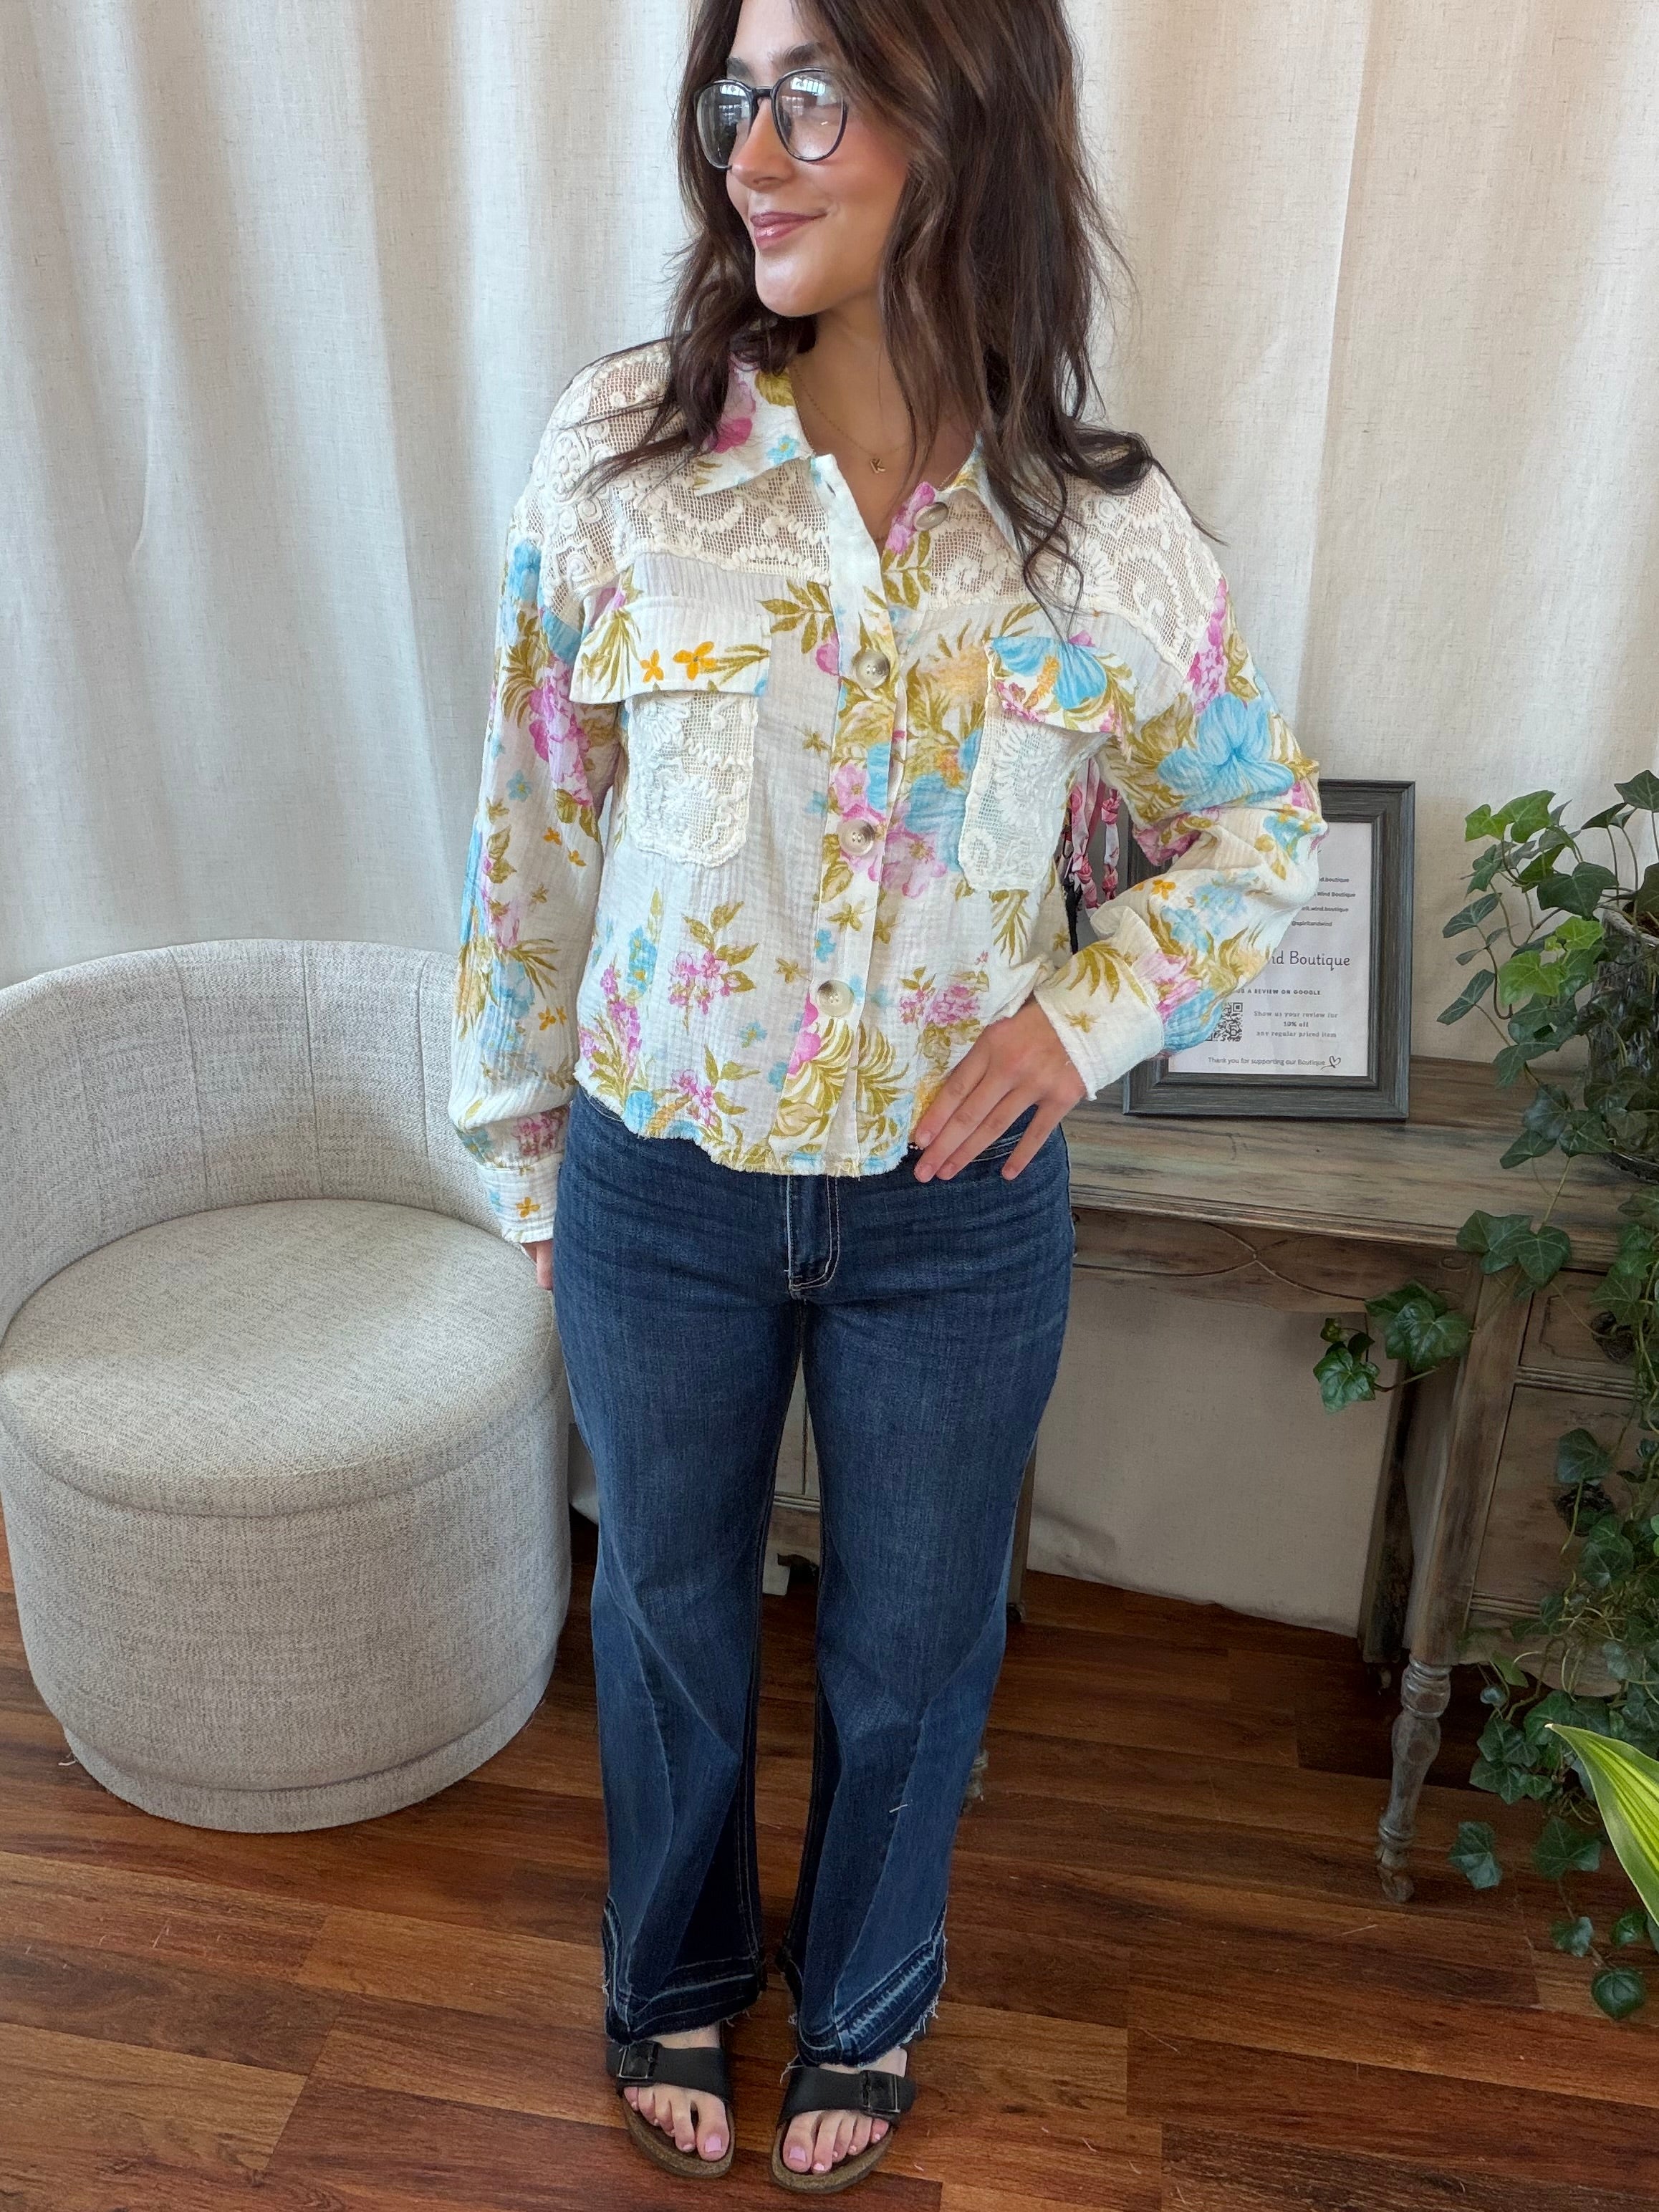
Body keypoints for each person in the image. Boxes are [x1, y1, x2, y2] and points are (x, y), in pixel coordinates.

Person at [450, 0, 1324, 2188]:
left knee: (917, 1643)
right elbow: (527, 834)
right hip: (662, 1180)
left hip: (956, 1214)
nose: (757, 144)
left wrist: (1078, 1020)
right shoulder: (619, 462)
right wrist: (527, 1159)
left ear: (973, 124)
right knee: (659, 1612)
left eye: (818, 90)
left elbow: (1258, 834)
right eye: (737, 95)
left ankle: (862, 2009)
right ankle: (667, 1983)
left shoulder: (1096, 536)